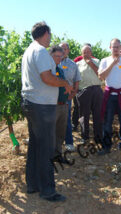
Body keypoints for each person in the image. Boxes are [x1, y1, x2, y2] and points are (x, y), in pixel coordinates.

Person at [21, 22, 72, 202]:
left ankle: (33, 184)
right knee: (46, 148)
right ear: (45, 34)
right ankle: (48, 190)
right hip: (42, 105)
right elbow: (47, 77)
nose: (50, 38)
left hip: (31, 103)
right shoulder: (41, 51)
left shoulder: (29, 50)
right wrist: (64, 83)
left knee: (35, 146)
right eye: (49, 34)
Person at [98, 38, 121, 155]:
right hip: (109, 95)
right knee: (107, 121)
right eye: (113, 47)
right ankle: (106, 146)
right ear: (110, 48)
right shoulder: (105, 61)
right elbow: (101, 76)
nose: (115, 49)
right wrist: (112, 64)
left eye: (117, 47)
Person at [76, 45, 103, 145]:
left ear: (91, 53)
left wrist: (91, 64)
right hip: (84, 91)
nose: (86, 54)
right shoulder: (78, 64)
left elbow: (101, 76)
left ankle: (98, 137)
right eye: (84, 52)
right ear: (81, 54)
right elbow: (76, 79)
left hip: (96, 90)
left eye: (88, 52)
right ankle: (85, 137)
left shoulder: (98, 62)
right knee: (84, 116)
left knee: (98, 115)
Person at [59, 42, 81, 152]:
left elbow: (77, 80)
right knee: (52, 120)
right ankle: (55, 143)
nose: (63, 51)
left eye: (65, 49)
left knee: (66, 119)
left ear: (68, 51)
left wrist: (73, 93)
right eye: (61, 48)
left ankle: (69, 142)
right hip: (52, 97)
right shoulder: (52, 62)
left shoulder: (73, 64)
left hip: (67, 97)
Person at [49, 45, 69, 161]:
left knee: (60, 132)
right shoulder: (49, 70)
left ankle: (57, 154)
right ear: (50, 56)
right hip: (53, 105)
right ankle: (48, 157)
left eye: (61, 56)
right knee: (50, 132)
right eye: (56, 56)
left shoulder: (60, 69)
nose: (59, 58)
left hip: (63, 105)